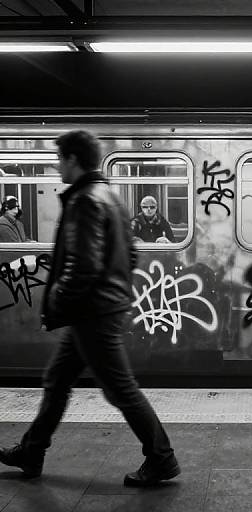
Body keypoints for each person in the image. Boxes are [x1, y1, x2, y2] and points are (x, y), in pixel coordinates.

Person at [0, 130, 180, 487]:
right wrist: (115, 291)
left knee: (119, 388)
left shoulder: (84, 200)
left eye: (59, 159)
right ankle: (32, 451)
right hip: (101, 307)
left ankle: (162, 458)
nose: (56, 165)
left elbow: (83, 266)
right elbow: (130, 254)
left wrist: (56, 306)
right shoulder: (109, 196)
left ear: (72, 160)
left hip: (92, 312)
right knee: (58, 380)